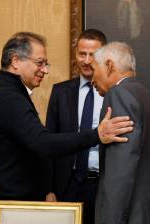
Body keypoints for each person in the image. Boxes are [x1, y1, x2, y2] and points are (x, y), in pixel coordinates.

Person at [0, 32, 134, 218]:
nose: (45, 70)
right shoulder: (8, 96)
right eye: (39, 63)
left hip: (23, 203)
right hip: (15, 206)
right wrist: (97, 135)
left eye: (45, 64)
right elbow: (42, 142)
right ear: (15, 61)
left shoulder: (10, 91)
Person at [91, 42, 150, 224]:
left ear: (109, 66)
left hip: (130, 215)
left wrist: (110, 219)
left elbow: (120, 168)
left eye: (93, 69)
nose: (92, 79)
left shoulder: (118, 94)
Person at [45, 29, 106, 224]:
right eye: (82, 54)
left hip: (104, 186)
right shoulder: (60, 92)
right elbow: (49, 144)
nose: (86, 61)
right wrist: (49, 189)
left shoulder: (114, 94)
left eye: (93, 55)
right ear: (76, 54)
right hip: (67, 184)